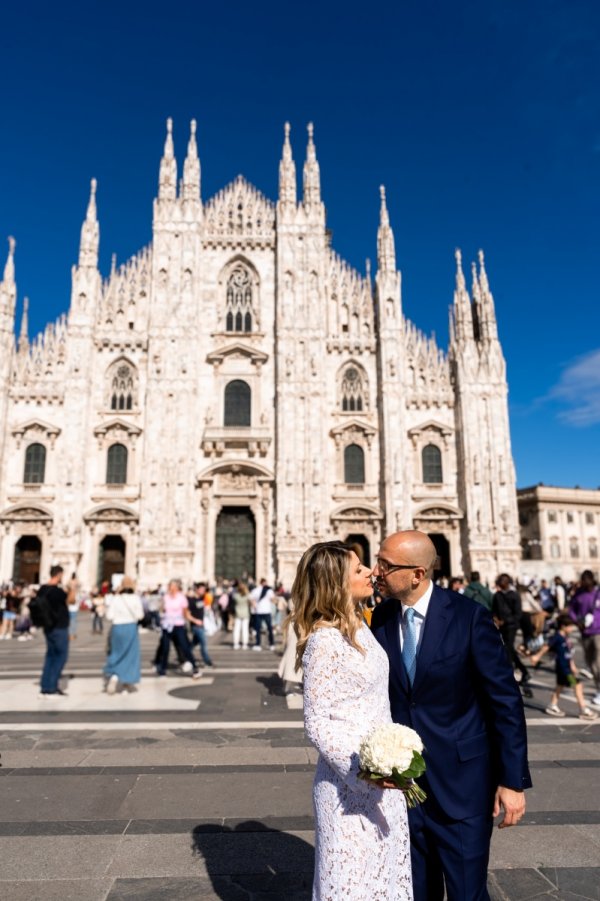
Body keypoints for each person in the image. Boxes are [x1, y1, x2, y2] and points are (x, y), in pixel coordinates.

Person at [371, 531, 531, 901]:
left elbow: (505, 702)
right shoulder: (380, 617)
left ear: (417, 574)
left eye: (386, 565)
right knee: (415, 892)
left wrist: (512, 781)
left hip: (463, 786)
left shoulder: (468, 617)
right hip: (405, 789)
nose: (376, 571)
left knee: (466, 893)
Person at [294, 541, 412, 899]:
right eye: (359, 569)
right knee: (351, 883)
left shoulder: (360, 626)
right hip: (351, 784)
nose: (370, 572)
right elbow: (318, 722)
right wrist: (367, 772)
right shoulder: (324, 642)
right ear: (335, 583)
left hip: (383, 782)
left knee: (385, 877)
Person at [530, 613, 598, 720]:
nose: (572, 629)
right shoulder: (557, 637)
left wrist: (573, 666)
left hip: (566, 667)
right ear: (563, 626)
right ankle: (583, 709)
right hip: (563, 669)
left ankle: (552, 705)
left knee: (559, 686)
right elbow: (546, 647)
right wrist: (537, 656)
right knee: (578, 685)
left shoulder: (565, 638)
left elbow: (568, 654)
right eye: (570, 626)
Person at [38, 565, 76, 698]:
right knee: (61, 656)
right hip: (59, 627)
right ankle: (52, 688)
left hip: (47, 627)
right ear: (59, 575)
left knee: (50, 656)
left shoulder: (42, 589)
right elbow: (71, 601)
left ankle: (45, 687)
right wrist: (73, 588)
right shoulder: (57, 591)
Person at [103, 576, 144, 694]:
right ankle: (126, 684)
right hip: (130, 628)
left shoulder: (116, 598)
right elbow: (140, 615)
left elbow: (109, 616)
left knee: (116, 653)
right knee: (130, 656)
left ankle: (114, 676)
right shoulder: (135, 598)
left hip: (117, 628)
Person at [155, 579, 202, 679]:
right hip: (166, 626)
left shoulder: (182, 598)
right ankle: (162, 671)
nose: (171, 588)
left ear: (177, 587)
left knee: (185, 648)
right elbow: (162, 610)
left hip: (178, 625)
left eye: (173, 586)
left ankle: (195, 668)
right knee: (165, 648)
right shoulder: (165, 597)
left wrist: (194, 620)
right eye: (170, 586)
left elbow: (185, 613)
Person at [568, 569, 600, 709]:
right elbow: (571, 610)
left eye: (587, 582)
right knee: (591, 663)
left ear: (592, 580)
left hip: (599, 631)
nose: (585, 584)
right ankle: (598, 687)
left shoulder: (598, 593)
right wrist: (577, 621)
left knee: (598, 661)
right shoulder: (579, 594)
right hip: (585, 632)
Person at [492, 573, 531, 687]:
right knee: (508, 648)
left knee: (508, 648)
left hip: (511, 626)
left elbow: (518, 614)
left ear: (507, 582)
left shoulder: (514, 595)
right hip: (501, 625)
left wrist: (506, 620)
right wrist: (496, 619)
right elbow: (494, 609)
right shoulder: (497, 595)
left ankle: (509, 673)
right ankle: (523, 671)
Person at [187, 583, 214, 667]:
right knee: (203, 643)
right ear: (197, 589)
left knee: (193, 644)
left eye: (204, 590)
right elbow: (187, 614)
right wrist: (195, 621)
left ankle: (185, 655)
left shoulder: (203, 598)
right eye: (201, 589)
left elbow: (209, 594)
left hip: (202, 625)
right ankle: (207, 661)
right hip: (196, 625)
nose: (203, 591)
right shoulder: (191, 600)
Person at [250, 578, 275, 651]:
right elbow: (273, 600)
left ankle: (258, 644)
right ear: (264, 583)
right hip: (267, 611)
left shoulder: (256, 590)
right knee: (269, 628)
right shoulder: (269, 590)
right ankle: (271, 644)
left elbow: (251, 599)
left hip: (259, 611)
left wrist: (255, 605)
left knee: (258, 629)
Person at [231, 582, 251, 650]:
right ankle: (245, 644)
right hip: (245, 613)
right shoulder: (247, 595)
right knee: (245, 629)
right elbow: (250, 602)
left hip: (237, 613)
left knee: (237, 629)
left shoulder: (235, 596)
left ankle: (235, 643)